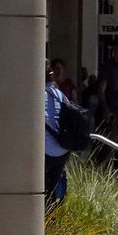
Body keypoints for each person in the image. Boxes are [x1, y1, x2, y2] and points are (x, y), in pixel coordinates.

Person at [44, 62, 71, 203]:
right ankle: (54, 211)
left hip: (46, 151)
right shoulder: (58, 94)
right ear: (51, 76)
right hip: (63, 149)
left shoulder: (35, 96)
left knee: (42, 187)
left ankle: (47, 216)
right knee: (53, 185)